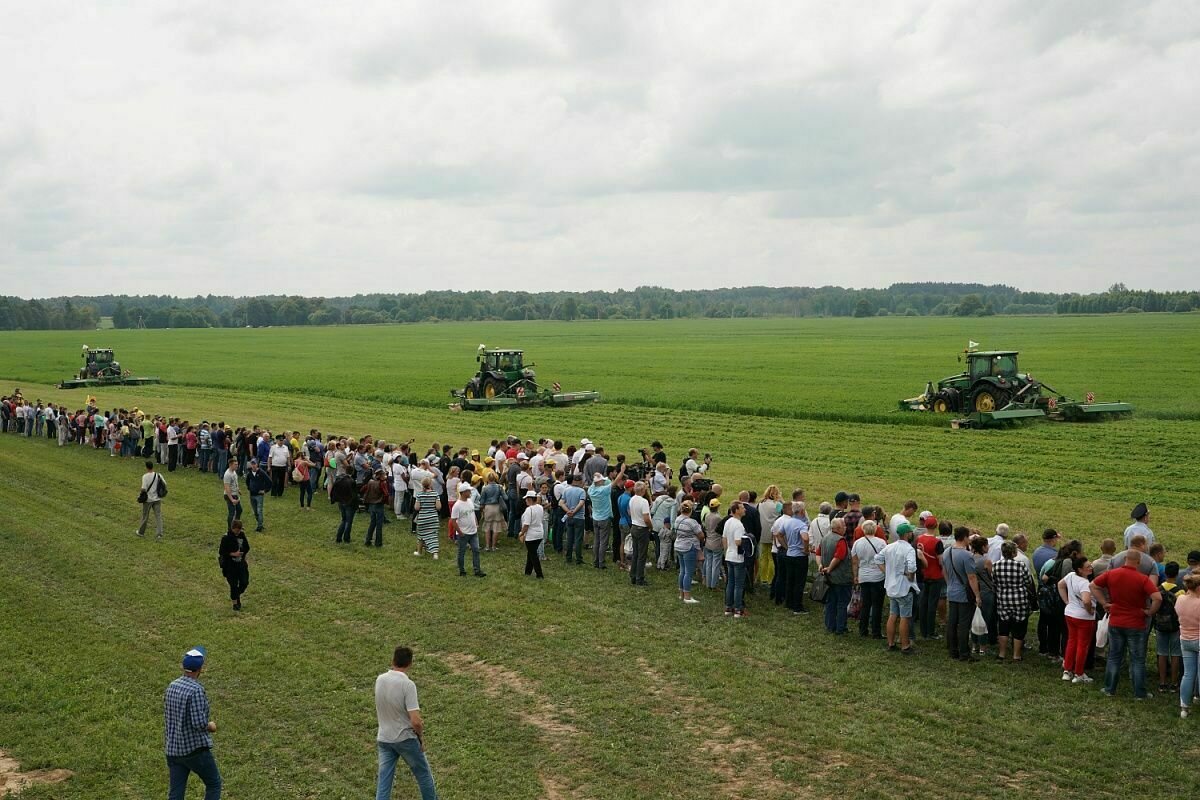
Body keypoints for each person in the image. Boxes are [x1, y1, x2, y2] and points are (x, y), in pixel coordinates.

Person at [1091, 550, 1163, 699]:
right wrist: (1149, 612)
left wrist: (1104, 603)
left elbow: (1093, 586)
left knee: (1114, 656)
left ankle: (1109, 688)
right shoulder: (1142, 579)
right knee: (1137, 659)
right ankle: (1139, 693)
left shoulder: (1112, 574)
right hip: (1136, 623)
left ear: (1125, 559)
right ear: (1138, 562)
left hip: (1116, 621)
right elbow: (1157, 598)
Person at [375, 645, 437, 800]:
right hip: (405, 739)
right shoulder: (408, 685)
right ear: (410, 663)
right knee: (423, 775)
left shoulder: (380, 680)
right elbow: (415, 721)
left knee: (384, 781)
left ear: (393, 660)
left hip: (384, 738)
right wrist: (420, 738)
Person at [164, 646, 221, 800]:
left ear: (183, 667)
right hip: (193, 750)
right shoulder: (196, 690)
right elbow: (198, 723)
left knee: (176, 793)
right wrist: (210, 726)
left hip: (173, 749)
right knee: (214, 783)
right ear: (200, 669)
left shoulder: (172, 685)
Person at [874, 522, 919, 654]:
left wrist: (887, 572)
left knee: (893, 615)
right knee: (905, 617)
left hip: (891, 586)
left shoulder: (890, 547)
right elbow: (911, 567)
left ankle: (891, 643)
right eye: (911, 532)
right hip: (904, 587)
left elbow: (877, 559)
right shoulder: (909, 549)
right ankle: (905, 646)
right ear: (907, 534)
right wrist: (910, 577)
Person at [942, 526, 982, 662]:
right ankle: (964, 652)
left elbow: (945, 571)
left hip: (951, 591)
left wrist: (949, 585)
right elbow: (971, 577)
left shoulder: (947, 552)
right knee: (964, 624)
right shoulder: (967, 555)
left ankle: (953, 650)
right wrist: (977, 595)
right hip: (964, 594)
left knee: (952, 622)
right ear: (965, 537)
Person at [1058, 555, 1096, 683]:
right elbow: (1086, 600)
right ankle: (1079, 673)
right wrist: (1090, 610)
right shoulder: (1085, 584)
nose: (1091, 568)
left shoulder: (1070, 576)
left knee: (1071, 642)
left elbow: (1060, 585)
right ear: (1080, 570)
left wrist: (1067, 601)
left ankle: (1067, 670)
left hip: (1070, 614)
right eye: (1088, 567)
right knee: (1082, 645)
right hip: (1084, 617)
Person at [992, 541, 1031, 661]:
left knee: (1003, 627)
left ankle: (1002, 653)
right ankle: (1016, 655)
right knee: (1019, 628)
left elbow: (994, 582)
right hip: (1019, 600)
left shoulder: (996, 565)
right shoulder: (1020, 565)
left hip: (1003, 599)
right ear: (1014, 553)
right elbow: (1028, 581)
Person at [851, 520, 886, 639]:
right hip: (878, 576)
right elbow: (885, 558)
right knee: (877, 605)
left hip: (863, 576)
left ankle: (863, 629)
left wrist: (855, 575)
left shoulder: (857, 543)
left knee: (865, 604)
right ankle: (876, 631)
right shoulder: (881, 542)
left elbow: (855, 561)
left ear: (863, 530)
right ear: (875, 529)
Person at [819, 518, 853, 634]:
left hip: (829, 578)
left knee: (831, 602)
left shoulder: (825, 538)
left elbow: (818, 553)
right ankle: (840, 627)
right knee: (842, 603)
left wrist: (820, 565)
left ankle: (830, 625)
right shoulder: (841, 541)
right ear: (838, 528)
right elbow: (839, 556)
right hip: (841, 578)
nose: (845, 528)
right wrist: (830, 568)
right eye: (844, 526)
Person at [1155, 562, 1184, 693]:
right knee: (1176, 654)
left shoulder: (1158, 589)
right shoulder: (1180, 591)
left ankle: (1162, 682)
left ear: (1165, 573)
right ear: (1177, 574)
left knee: (1162, 653)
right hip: (1175, 626)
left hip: (1160, 625)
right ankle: (1174, 683)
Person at [1176, 573, 1200, 718]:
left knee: (1188, 674)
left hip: (1185, 639)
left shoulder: (1180, 599)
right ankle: (1197, 696)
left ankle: (1184, 707)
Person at [672, 500, 703, 604]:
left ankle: (681, 594)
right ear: (691, 511)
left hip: (679, 545)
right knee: (688, 572)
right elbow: (701, 535)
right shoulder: (691, 522)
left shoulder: (677, 519)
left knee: (682, 570)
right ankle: (687, 596)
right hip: (689, 547)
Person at [453, 483, 485, 577]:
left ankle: (477, 570)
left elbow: (472, 513)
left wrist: (476, 523)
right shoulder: (457, 505)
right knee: (461, 552)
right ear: (463, 493)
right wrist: (460, 532)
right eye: (468, 491)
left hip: (473, 532)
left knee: (476, 550)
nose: (470, 492)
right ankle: (462, 571)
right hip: (463, 533)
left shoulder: (470, 501)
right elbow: (453, 521)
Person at [722, 501, 748, 618]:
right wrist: (747, 540)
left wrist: (727, 550)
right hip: (738, 558)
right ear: (736, 510)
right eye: (742, 508)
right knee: (738, 584)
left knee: (730, 583)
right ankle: (738, 608)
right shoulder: (739, 525)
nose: (744, 510)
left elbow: (724, 538)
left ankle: (728, 607)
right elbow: (738, 541)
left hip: (729, 555)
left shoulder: (728, 522)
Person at [219, 520, 250, 611]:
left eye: (239, 530)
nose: (238, 532)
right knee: (233, 585)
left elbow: (247, 547)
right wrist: (233, 554)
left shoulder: (242, 535)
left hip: (241, 565)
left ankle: (237, 595)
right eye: (237, 530)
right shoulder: (226, 538)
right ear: (232, 528)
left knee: (244, 582)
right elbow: (222, 552)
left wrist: (243, 554)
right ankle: (235, 603)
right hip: (230, 566)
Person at [628, 480, 653, 586]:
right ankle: (639, 578)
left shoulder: (632, 499)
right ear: (643, 490)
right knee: (642, 555)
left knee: (635, 554)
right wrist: (650, 527)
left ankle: (633, 575)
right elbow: (646, 518)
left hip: (634, 526)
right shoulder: (644, 502)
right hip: (642, 528)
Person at [588, 472, 614, 570]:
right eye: (602, 481)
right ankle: (601, 563)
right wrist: (621, 471)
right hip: (604, 518)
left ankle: (595, 561)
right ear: (600, 482)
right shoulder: (604, 490)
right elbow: (613, 483)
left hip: (595, 518)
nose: (604, 481)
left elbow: (599, 482)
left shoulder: (591, 490)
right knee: (603, 542)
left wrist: (598, 476)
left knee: (596, 541)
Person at [559, 473, 587, 565]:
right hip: (579, 517)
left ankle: (568, 557)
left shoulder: (566, 490)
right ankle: (579, 558)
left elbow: (561, 503)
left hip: (569, 517)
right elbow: (581, 503)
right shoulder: (582, 491)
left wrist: (568, 511)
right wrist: (574, 511)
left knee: (569, 538)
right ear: (579, 481)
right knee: (578, 539)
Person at [137, 460, 167, 540]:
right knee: (158, 516)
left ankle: (141, 532)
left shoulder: (145, 476)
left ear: (146, 467)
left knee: (145, 516)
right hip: (157, 498)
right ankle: (159, 533)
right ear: (152, 466)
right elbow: (164, 484)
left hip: (148, 500)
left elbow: (143, 488)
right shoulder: (158, 475)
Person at [413, 477, 441, 559]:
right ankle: (435, 554)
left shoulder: (419, 495)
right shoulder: (435, 494)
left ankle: (419, 552)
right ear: (430, 484)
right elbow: (439, 507)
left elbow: (417, 508)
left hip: (422, 518)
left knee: (421, 536)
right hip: (433, 518)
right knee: (433, 535)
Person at [519, 490, 545, 578]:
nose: (525, 500)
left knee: (533, 555)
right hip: (540, 534)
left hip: (531, 536)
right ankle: (528, 571)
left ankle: (539, 574)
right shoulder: (540, 507)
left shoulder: (528, 510)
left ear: (530, 499)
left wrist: (521, 533)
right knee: (531, 553)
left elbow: (526, 525)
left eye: (526, 499)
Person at [479, 473, 506, 552]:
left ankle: (487, 546)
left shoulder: (485, 488)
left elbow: (482, 500)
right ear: (495, 478)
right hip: (497, 507)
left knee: (487, 527)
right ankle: (494, 546)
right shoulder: (499, 487)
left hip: (488, 508)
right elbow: (506, 497)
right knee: (496, 528)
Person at [362, 469, 389, 548]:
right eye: (384, 475)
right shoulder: (382, 483)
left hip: (371, 505)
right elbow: (386, 494)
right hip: (379, 505)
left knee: (372, 523)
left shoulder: (370, 482)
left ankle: (368, 540)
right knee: (379, 525)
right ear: (380, 476)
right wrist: (384, 501)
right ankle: (378, 543)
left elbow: (363, 489)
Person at [331, 465, 357, 544]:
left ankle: (339, 537)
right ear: (352, 472)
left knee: (343, 519)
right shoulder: (351, 481)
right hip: (349, 503)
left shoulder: (339, 479)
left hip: (340, 501)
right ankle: (346, 538)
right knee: (348, 521)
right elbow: (354, 494)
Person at [244, 459, 271, 532]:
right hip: (252, 495)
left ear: (257, 464)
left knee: (259, 510)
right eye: (252, 464)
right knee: (255, 511)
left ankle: (259, 526)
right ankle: (259, 523)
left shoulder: (261, 473)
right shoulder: (249, 473)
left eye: (254, 464)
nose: (253, 465)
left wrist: (265, 490)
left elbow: (269, 482)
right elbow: (247, 481)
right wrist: (249, 488)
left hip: (259, 495)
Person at [222, 458, 242, 531]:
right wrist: (232, 499)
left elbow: (235, 483)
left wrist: (238, 489)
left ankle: (237, 525)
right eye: (235, 464)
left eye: (237, 464)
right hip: (230, 495)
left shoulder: (234, 472)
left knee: (239, 510)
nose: (237, 466)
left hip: (235, 494)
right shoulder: (227, 474)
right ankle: (230, 528)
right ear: (230, 465)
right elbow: (227, 488)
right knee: (232, 512)